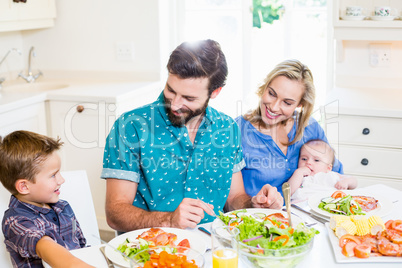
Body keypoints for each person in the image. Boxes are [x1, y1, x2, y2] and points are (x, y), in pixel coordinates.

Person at [101, 39, 283, 232]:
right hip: (151, 250)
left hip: (212, 246)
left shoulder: (227, 128)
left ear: (215, 92)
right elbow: (115, 213)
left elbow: (234, 198)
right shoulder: (131, 126)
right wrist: (169, 220)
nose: (175, 104)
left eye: (189, 98)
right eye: (171, 90)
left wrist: (254, 205)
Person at [236, 59, 344, 198]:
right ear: (264, 87)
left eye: (287, 103)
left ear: (300, 104)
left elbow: (336, 173)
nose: (274, 107)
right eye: (271, 94)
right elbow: (230, 198)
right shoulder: (237, 130)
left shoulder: (310, 128)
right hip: (255, 216)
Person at [0, 131, 92, 268]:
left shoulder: (63, 207)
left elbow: (82, 247)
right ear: (24, 186)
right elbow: (45, 246)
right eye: (53, 175)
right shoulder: (15, 221)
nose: (62, 179)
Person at [288, 139, 357, 203]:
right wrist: (298, 173)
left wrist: (346, 182)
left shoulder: (330, 175)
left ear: (328, 168)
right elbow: (288, 191)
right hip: (301, 208)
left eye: (316, 160)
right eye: (304, 159)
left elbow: (354, 181)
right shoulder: (300, 177)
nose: (308, 162)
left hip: (326, 207)